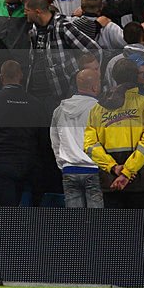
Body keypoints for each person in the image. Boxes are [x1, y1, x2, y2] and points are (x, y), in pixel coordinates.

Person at [84, 58, 144, 208]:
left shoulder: (97, 109)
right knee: (142, 230)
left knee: (113, 230)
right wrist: (127, 172)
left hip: (110, 180)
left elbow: (90, 146)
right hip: (141, 181)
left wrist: (114, 168)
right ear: (136, 77)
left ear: (113, 77)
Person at [0, 60, 49, 206]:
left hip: (1, 164)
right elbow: (44, 138)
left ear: (1, 77)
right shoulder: (35, 103)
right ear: (20, 75)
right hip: (30, 164)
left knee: (4, 214)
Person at [49, 68, 103, 208]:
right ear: (95, 86)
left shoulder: (59, 110)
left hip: (69, 169)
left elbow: (55, 141)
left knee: (74, 222)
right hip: (93, 169)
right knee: (95, 223)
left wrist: (61, 163)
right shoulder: (99, 110)